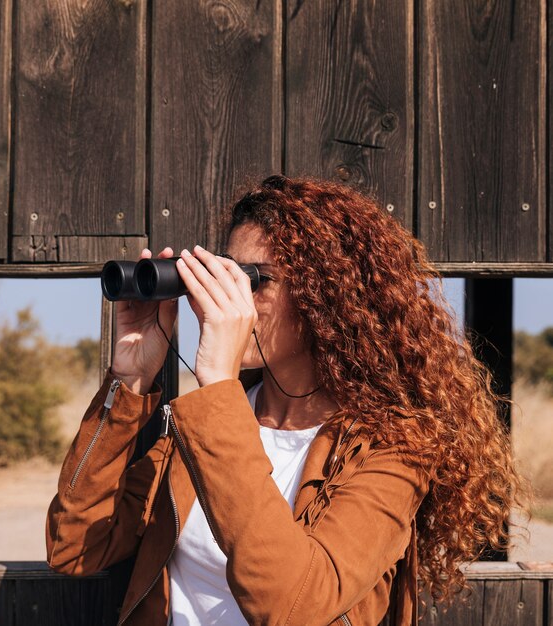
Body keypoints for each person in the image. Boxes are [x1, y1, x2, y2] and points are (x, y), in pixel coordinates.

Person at [46, 175, 526, 626]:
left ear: (329, 297)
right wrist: (128, 380)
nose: (231, 299)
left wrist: (218, 385)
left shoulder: (393, 447)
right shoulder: (200, 429)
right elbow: (74, 545)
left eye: (256, 279)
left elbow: (294, 606)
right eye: (226, 275)